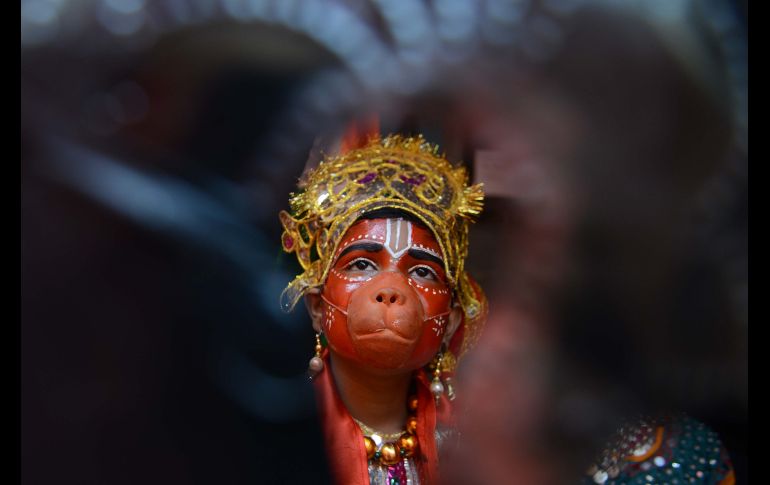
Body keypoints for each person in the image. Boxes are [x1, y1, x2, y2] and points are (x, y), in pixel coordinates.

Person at [279, 133, 486, 484]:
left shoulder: (478, 449)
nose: (389, 290)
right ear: (316, 307)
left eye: (422, 272)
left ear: (450, 323)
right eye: (361, 265)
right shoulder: (281, 431)